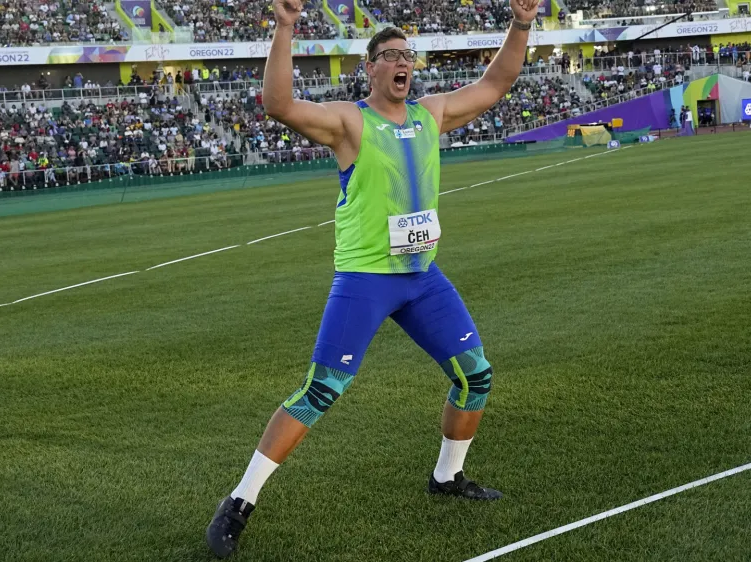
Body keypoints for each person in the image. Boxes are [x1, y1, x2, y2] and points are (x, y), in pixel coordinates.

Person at [204, 0, 540, 557]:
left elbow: (497, 82)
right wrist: (285, 26)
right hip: (366, 278)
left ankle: (447, 477)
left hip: (421, 277)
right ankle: (238, 503)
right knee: (321, 391)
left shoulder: (432, 114)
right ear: (371, 68)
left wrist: (522, 23)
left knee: (475, 377)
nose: (402, 62)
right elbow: (278, 103)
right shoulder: (350, 122)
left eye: (408, 55)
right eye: (390, 55)